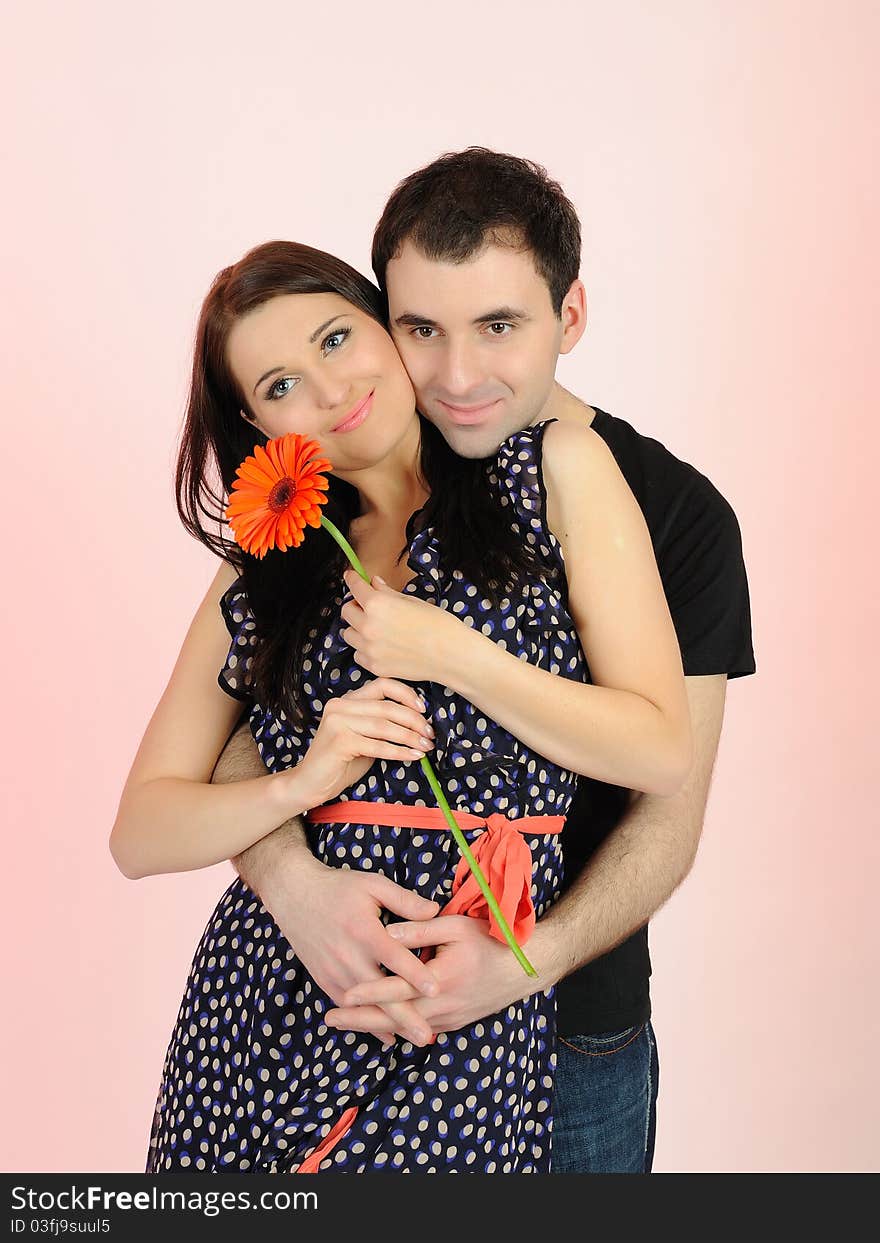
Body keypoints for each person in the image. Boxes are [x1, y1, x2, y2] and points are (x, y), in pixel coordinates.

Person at [216, 149, 755, 1174]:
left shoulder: (673, 512)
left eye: (500, 326)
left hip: (572, 1028)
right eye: (421, 329)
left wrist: (517, 967)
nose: (458, 377)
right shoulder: (354, 473)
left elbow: (667, 810)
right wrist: (291, 883)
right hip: (349, 999)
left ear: (572, 314)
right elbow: (251, 739)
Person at [110, 235, 691, 1173]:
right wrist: (298, 787)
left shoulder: (551, 472)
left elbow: (661, 751)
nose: (331, 391)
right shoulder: (264, 567)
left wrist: (452, 654)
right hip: (270, 1005)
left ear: (386, 323)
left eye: (337, 339)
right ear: (262, 428)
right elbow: (139, 833)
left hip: (463, 1016)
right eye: (281, 385)